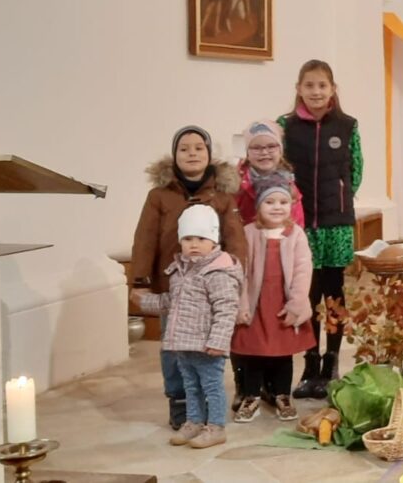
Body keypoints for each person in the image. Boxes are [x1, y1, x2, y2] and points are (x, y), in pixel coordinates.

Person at [130, 126, 247, 430]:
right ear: (174, 155)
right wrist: (140, 281)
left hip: (209, 287)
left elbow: (235, 238)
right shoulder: (159, 196)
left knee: (206, 346)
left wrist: (235, 274)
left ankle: (207, 399)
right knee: (173, 345)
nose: (192, 153)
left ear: (209, 154)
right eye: (184, 148)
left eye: (199, 148)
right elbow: (145, 238)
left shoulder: (222, 197)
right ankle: (179, 399)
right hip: (174, 285)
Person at [280, 60, 363, 399]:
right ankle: (310, 363)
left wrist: (340, 197)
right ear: (299, 89)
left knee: (334, 294)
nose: (316, 92)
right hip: (302, 224)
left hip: (336, 224)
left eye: (322, 86)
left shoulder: (347, 125)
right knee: (307, 294)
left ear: (332, 90)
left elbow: (356, 171)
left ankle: (332, 362)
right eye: (309, 85)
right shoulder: (285, 126)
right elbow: (279, 168)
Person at [131, 205, 243, 448]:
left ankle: (216, 427)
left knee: (211, 387)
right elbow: (171, 302)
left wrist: (218, 341)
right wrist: (144, 301)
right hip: (183, 344)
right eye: (188, 238)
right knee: (190, 386)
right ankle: (194, 421)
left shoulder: (218, 273)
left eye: (201, 239)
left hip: (207, 346)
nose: (194, 244)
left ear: (214, 240)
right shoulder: (180, 271)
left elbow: (226, 309)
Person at [231, 120, 304, 410]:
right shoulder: (235, 182)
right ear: (247, 151)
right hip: (248, 265)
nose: (265, 152)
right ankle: (245, 387)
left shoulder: (290, 184)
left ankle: (275, 389)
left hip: (278, 270)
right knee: (246, 333)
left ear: (280, 148)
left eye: (271, 145)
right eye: (257, 147)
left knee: (277, 333)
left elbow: (297, 227)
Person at [230, 174, 315, 423]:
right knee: (253, 353)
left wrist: (297, 303)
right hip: (256, 306)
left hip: (282, 305)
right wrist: (242, 304)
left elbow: (303, 270)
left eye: (283, 202)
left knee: (282, 353)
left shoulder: (296, 234)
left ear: (291, 205)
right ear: (258, 206)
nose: (277, 207)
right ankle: (252, 396)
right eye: (270, 202)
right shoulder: (248, 233)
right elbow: (241, 272)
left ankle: (282, 395)